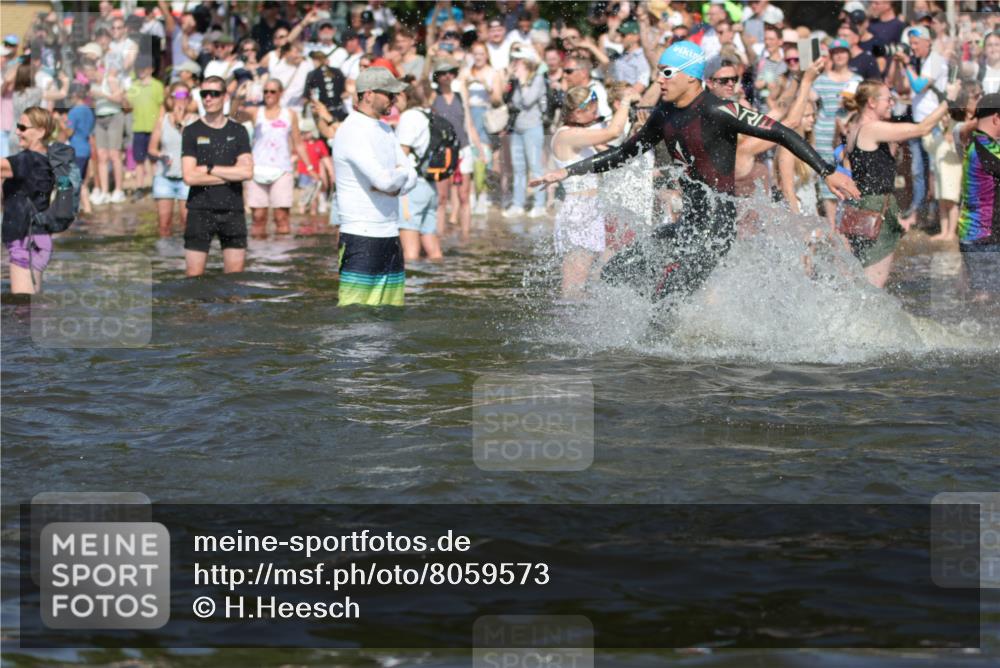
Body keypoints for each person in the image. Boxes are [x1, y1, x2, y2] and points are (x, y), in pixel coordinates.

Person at [532, 41, 859, 301]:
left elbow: (782, 132)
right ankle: (684, 330)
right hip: (688, 223)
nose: (659, 79)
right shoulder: (664, 113)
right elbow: (625, 152)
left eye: (667, 72)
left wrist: (827, 171)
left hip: (716, 231)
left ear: (691, 76)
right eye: (658, 72)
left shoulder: (719, 109)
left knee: (666, 300)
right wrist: (567, 172)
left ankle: (674, 356)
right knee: (617, 271)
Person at [842, 79, 959, 288]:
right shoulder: (873, 128)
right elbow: (923, 128)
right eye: (888, 99)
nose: (892, 103)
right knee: (875, 281)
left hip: (861, 207)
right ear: (871, 102)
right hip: (876, 209)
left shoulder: (854, 127)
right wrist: (948, 99)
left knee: (860, 275)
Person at [332, 67, 417, 306]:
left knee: (390, 313)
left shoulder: (385, 128)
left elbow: (412, 175)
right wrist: (396, 179)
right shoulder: (352, 130)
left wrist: (394, 183)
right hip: (362, 236)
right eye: (389, 94)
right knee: (355, 315)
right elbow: (385, 181)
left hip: (390, 233)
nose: (394, 99)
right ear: (368, 94)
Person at [551, 85, 639, 298]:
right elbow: (613, 132)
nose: (597, 115)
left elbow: (617, 153)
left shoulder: (580, 134)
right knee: (573, 287)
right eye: (592, 111)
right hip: (579, 211)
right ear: (577, 113)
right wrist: (625, 100)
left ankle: (580, 324)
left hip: (590, 209)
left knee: (589, 281)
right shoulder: (568, 135)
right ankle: (566, 327)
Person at [181, 76, 254, 277]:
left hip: (233, 209)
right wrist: (231, 174)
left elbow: (247, 172)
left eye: (214, 94)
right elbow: (189, 176)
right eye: (204, 94)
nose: (208, 98)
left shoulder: (238, 131)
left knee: (235, 279)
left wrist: (210, 168)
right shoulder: (191, 131)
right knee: (193, 279)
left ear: (225, 96)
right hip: (200, 209)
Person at [248, 79, 313, 237]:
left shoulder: (290, 114)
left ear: (280, 93)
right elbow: (235, 114)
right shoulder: (256, 112)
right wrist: (239, 97)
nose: (268, 95)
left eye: (272, 91)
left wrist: (310, 167)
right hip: (257, 168)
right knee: (258, 217)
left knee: (281, 217)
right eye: (265, 91)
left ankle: (281, 258)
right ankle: (259, 258)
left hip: (282, 169)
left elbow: (298, 143)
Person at [1, 107, 56, 294]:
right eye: (18, 127)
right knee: (34, 308)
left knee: (23, 311)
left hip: (24, 239)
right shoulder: (44, 159)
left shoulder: (29, 160)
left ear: (40, 132)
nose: (17, 132)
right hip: (38, 237)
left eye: (23, 128)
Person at [813, 39, 862, 226]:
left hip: (848, 136)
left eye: (843, 51)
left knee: (848, 176)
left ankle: (846, 225)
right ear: (831, 56)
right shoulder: (821, 79)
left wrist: (851, 106)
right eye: (835, 52)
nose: (839, 55)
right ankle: (833, 225)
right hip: (824, 135)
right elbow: (810, 99)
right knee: (826, 177)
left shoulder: (857, 80)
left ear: (849, 54)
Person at [395, 79, 443, 262]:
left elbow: (402, 155)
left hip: (412, 189)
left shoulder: (409, 117)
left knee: (410, 253)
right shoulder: (429, 114)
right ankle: (438, 283)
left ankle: (413, 290)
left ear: (402, 96)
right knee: (434, 252)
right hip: (430, 186)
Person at [957, 92, 1000, 296]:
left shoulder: (978, 142)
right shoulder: (986, 147)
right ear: (996, 118)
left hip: (976, 235)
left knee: (982, 297)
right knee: (987, 299)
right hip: (984, 239)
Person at [430, 57, 477, 235]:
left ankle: (465, 236)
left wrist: (478, 148)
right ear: (437, 76)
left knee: (464, 196)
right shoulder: (433, 96)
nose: (447, 76)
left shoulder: (460, 94)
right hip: (442, 150)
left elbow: (469, 123)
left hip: (463, 148)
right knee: (441, 198)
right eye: (443, 73)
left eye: (450, 72)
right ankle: (439, 236)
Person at [149, 83, 198, 238]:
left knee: (187, 223)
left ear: (189, 99)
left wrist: (179, 123)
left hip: (187, 178)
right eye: (177, 96)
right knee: (164, 225)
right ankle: (165, 258)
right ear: (170, 99)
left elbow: (194, 144)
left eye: (184, 96)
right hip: (164, 177)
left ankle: (186, 258)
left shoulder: (196, 121)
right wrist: (160, 155)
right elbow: (151, 148)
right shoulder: (162, 120)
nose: (181, 100)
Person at [504, 47, 547, 219]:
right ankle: (518, 204)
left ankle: (539, 204)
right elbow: (513, 102)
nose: (515, 63)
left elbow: (528, 101)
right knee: (519, 168)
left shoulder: (537, 79)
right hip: (517, 129)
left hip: (533, 128)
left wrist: (522, 83)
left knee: (535, 167)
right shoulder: (516, 80)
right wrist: (512, 80)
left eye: (518, 60)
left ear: (526, 63)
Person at [126, 58, 165, 199]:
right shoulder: (133, 86)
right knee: (139, 159)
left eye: (144, 68)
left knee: (154, 159)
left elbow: (162, 106)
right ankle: (139, 187)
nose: (141, 71)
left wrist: (160, 124)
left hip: (154, 128)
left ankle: (156, 186)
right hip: (138, 127)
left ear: (151, 69)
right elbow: (127, 106)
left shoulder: (157, 85)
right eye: (139, 68)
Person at [66, 84, 95, 215]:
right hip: (86, 149)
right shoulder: (89, 110)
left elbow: (69, 132)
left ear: (76, 96)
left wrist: (60, 123)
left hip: (76, 150)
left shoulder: (73, 112)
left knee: (73, 183)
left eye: (71, 96)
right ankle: (87, 209)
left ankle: (73, 211)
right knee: (81, 183)